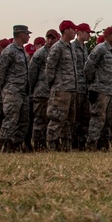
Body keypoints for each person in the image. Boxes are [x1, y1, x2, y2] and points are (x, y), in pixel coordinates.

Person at [85, 26, 112, 150]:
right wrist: (93, 84)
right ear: (107, 36)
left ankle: (105, 144)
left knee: (111, 119)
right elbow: (89, 67)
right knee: (98, 118)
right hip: (100, 90)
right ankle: (92, 144)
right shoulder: (100, 49)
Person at [0, 25, 31, 152]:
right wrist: (4, 88)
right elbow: (0, 71)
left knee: (23, 120)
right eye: (27, 34)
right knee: (11, 119)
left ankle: (14, 145)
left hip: (23, 91)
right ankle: (1, 144)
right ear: (21, 34)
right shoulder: (9, 51)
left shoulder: (23, 51)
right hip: (13, 91)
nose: (28, 36)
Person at [44, 20, 79, 151]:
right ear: (66, 30)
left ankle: (66, 146)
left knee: (69, 120)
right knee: (57, 118)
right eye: (72, 29)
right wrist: (54, 85)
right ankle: (52, 145)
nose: (75, 32)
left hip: (71, 89)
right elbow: (50, 69)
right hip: (61, 89)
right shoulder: (57, 47)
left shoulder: (71, 47)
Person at [28, 29, 60, 151]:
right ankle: (38, 143)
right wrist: (34, 89)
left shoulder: (58, 51)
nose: (50, 40)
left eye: (53, 38)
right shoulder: (40, 54)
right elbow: (32, 73)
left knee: (52, 119)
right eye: (48, 38)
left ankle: (50, 142)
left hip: (54, 92)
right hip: (41, 92)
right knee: (40, 120)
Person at [72, 23, 93, 149]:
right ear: (79, 32)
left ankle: (81, 141)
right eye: (87, 32)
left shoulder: (85, 48)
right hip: (76, 86)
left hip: (85, 86)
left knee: (85, 116)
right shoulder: (73, 47)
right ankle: (73, 141)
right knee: (76, 117)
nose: (89, 35)